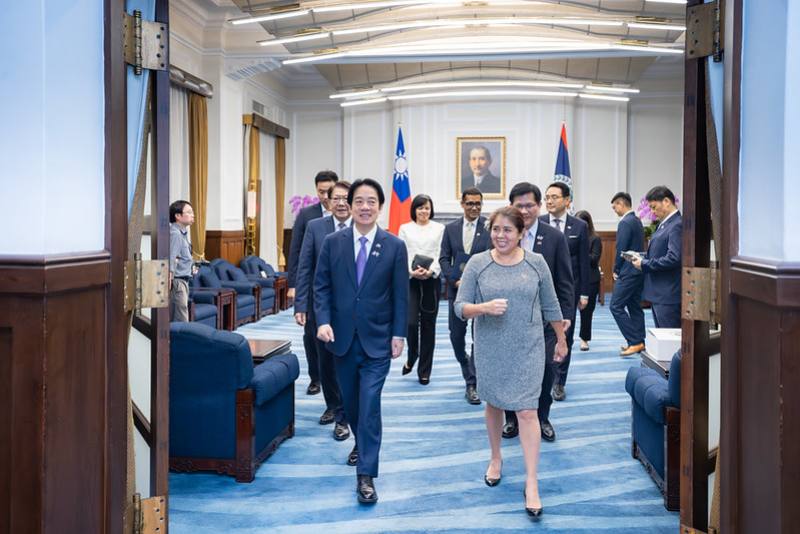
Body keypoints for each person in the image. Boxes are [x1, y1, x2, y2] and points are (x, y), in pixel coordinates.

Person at [455, 206, 567, 516]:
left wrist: (561, 339)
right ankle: (495, 457)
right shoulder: (478, 264)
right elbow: (459, 306)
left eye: (507, 230)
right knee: (494, 405)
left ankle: (531, 481)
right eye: (495, 229)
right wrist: (483, 308)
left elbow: (551, 304)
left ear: (520, 233)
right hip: (491, 348)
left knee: (528, 411)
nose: (500, 235)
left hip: (529, 347)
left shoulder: (536, 263)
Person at [314, 178, 408, 505]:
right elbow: (321, 286)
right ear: (349, 206)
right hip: (341, 340)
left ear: (380, 207)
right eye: (359, 201)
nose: (365, 207)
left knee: (369, 405)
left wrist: (399, 334)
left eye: (371, 201)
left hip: (378, 341)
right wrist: (323, 321)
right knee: (351, 405)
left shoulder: (394, 246)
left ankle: (365, 475)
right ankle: (361, 442)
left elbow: (400, 295)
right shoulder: (332, 242)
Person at [503, 182, 574, 443]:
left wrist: (566, 315)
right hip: (509, 320)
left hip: (545, 320)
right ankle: (511, 418)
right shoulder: (503, 234)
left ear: (539, 205)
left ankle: (542, 416)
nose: (524, 210)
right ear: (511, 206)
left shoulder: (554, 237)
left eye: (529, 205)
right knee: (510, 370)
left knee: (545, 370)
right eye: (518, 205)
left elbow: (565, 280)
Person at [294, 181, 352, 441]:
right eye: (336, 198)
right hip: (322, 307)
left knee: (350, 362)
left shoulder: (363, 229)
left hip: (353, 310)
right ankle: (335, 408)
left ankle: (345, 411)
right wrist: (301, 305)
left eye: (346, 198)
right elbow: (305, 267)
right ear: (327, 201)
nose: (341, 203)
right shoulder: (315, 227)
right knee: (326, 361)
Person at [288, 170, 339, 395]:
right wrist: (294, 284)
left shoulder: (347, 214)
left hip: (339, 288)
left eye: (330, 191)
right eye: (321, 192)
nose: (326, 196)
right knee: (311, 334)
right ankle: (315, 377)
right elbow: (296, 251)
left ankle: (335, 378)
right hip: (311, 286)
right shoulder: (307, 215)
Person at [439, 187, 491, 404]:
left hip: (482, 292)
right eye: (470, 203)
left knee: (479, 336)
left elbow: (494, 256)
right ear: (462, 204)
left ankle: (472, 382)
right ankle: (465, 362)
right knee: (456, 335)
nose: (474, 207)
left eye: (478, 203)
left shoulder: (489, 227)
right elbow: (444, 258)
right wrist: (455, 280)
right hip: (457, 290)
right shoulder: (450, 229)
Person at [541, 182, 589, 401]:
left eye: (554, 197)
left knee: (565, 337)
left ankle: (560, 382)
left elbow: (584, 263)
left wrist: (585, 293)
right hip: (541, 292)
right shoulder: (538, 223)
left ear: (567, 200)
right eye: (547, 197)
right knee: (542, 337)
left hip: (568, 292)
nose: (549, 201)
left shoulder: (579, 226)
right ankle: (543, 378)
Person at [398, 194, 445, 385]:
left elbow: (441, 253)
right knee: (410, 323)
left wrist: (431, 271)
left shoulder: (440, 228)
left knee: (428, 326)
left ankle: (424, 370)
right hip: (410, 280)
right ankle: (412, 355)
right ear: (414, 210)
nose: (424, 211)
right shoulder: (405, 228)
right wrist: (411, 270)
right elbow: (403, 252)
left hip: (430, 280)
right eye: (420, 208)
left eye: (427, 207)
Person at [631, 186, 682, 328]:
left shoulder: (677, 224)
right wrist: (642, 258)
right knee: (661, 338)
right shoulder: (664, 224)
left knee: (669, 339)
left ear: (666, 201)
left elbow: (674, 258)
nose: (652, 212)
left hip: (668, 294)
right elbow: (659, 251)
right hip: (659, 292)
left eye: (654, 207)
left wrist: (645, 264)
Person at [609, 192, 647, 356]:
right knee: (634, 306)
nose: (614, 210)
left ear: (621, 203)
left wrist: (616, 269)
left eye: (615, 206)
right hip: (637, 270)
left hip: (628, 271)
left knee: (615, 306)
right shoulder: (637, 220)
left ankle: (634, 341)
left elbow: (621, 249)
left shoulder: (625, 222)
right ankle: (640, 341)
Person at [574, 210, 602, 352]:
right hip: (574, 279)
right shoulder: (572, 237)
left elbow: (594, 259)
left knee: (587, 312)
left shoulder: (595, 238)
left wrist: (580, 253)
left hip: (591, 279)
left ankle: (584, 339)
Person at [169, 200, 195, 322]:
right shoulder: (175, 234)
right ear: (178, 216)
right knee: (181, 319)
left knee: (181, 315)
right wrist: (170, 279)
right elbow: (172, 257)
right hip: (178, 282)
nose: (192, 215)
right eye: (189, 212)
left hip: (184, 280)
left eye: (192, 212)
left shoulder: (183, 233)